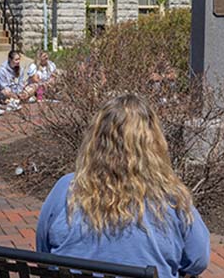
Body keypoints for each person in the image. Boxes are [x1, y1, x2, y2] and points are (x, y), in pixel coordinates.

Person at [36, 94, 210, 278]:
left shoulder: (65, 188)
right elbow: (197, 261)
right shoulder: (171, 198)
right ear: (153, 142)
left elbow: (44, 253)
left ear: (95, 139)